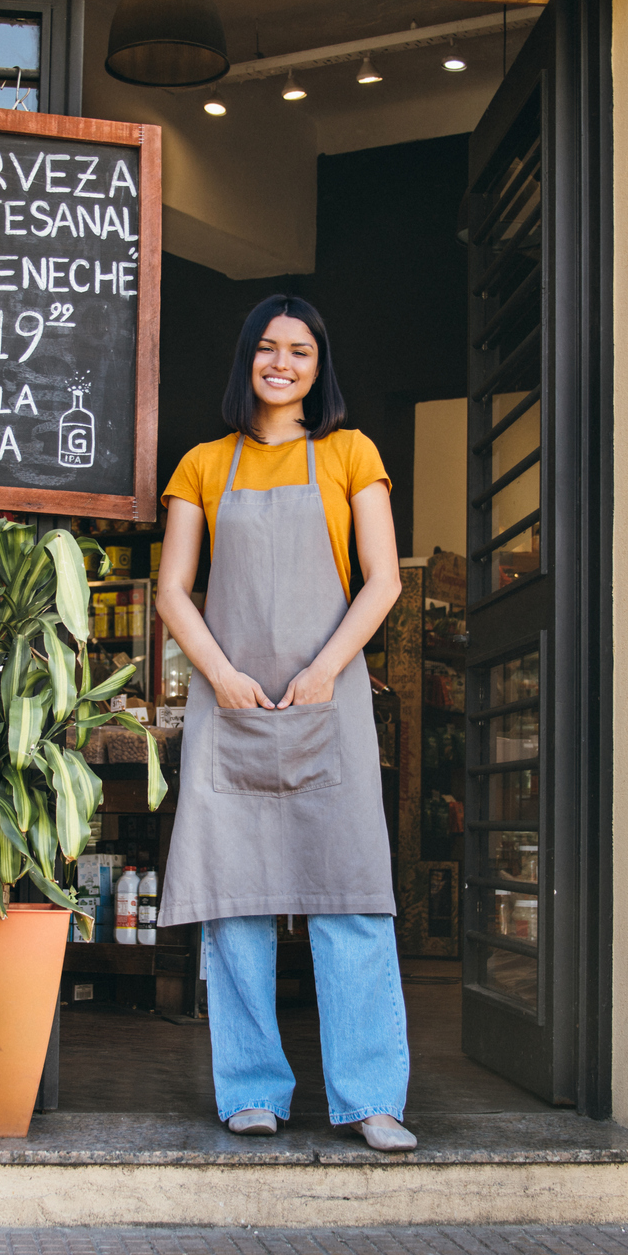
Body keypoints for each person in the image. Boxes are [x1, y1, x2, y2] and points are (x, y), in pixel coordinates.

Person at [154, 294, 415, 1152]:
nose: (282, 363)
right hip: (229, 709)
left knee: (351, 899)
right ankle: (251, 1090)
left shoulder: (349, 453)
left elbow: (382, 580)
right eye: (267, 349)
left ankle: (372, 1097)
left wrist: (322, 671)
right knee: (235, 904)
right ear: (246, 362)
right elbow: (172, 591)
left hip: (325, 702)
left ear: (317, 366)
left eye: (299, 351)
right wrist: (221, 674)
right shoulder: (201, 464)